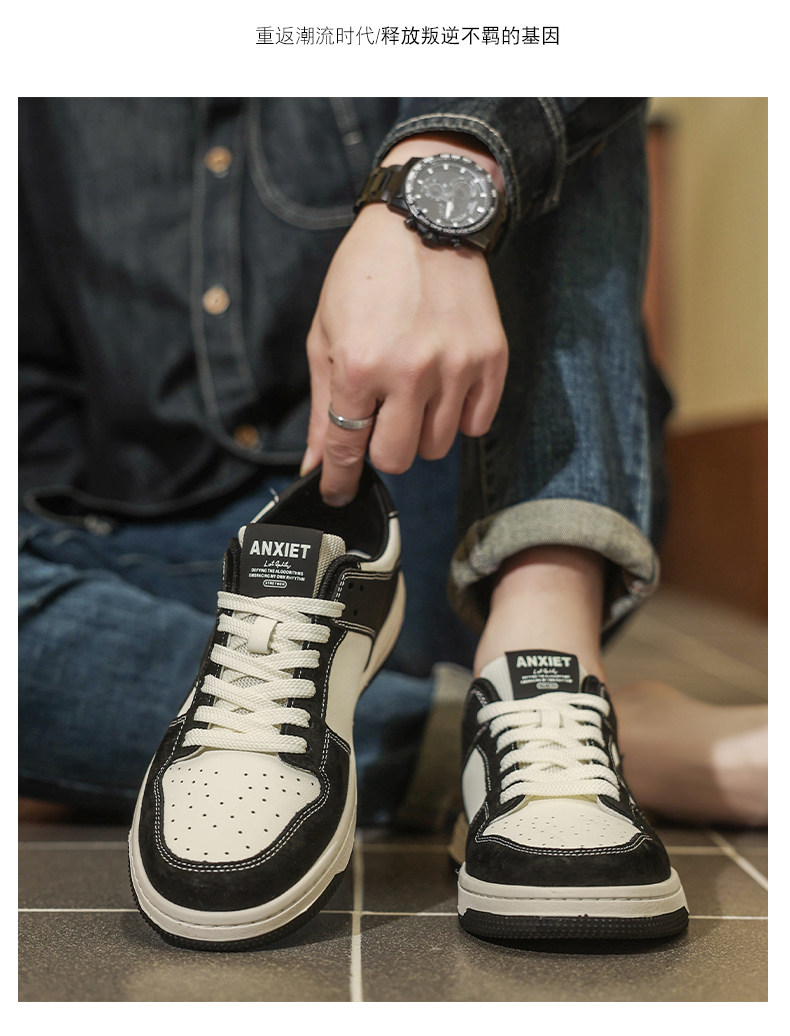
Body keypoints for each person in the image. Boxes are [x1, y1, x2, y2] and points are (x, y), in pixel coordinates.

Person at [18, 99, 765, 947]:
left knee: (552, 77)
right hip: (136, 556)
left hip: (447, 529)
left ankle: (539, 644)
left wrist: (443, 176)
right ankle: (476, 738)